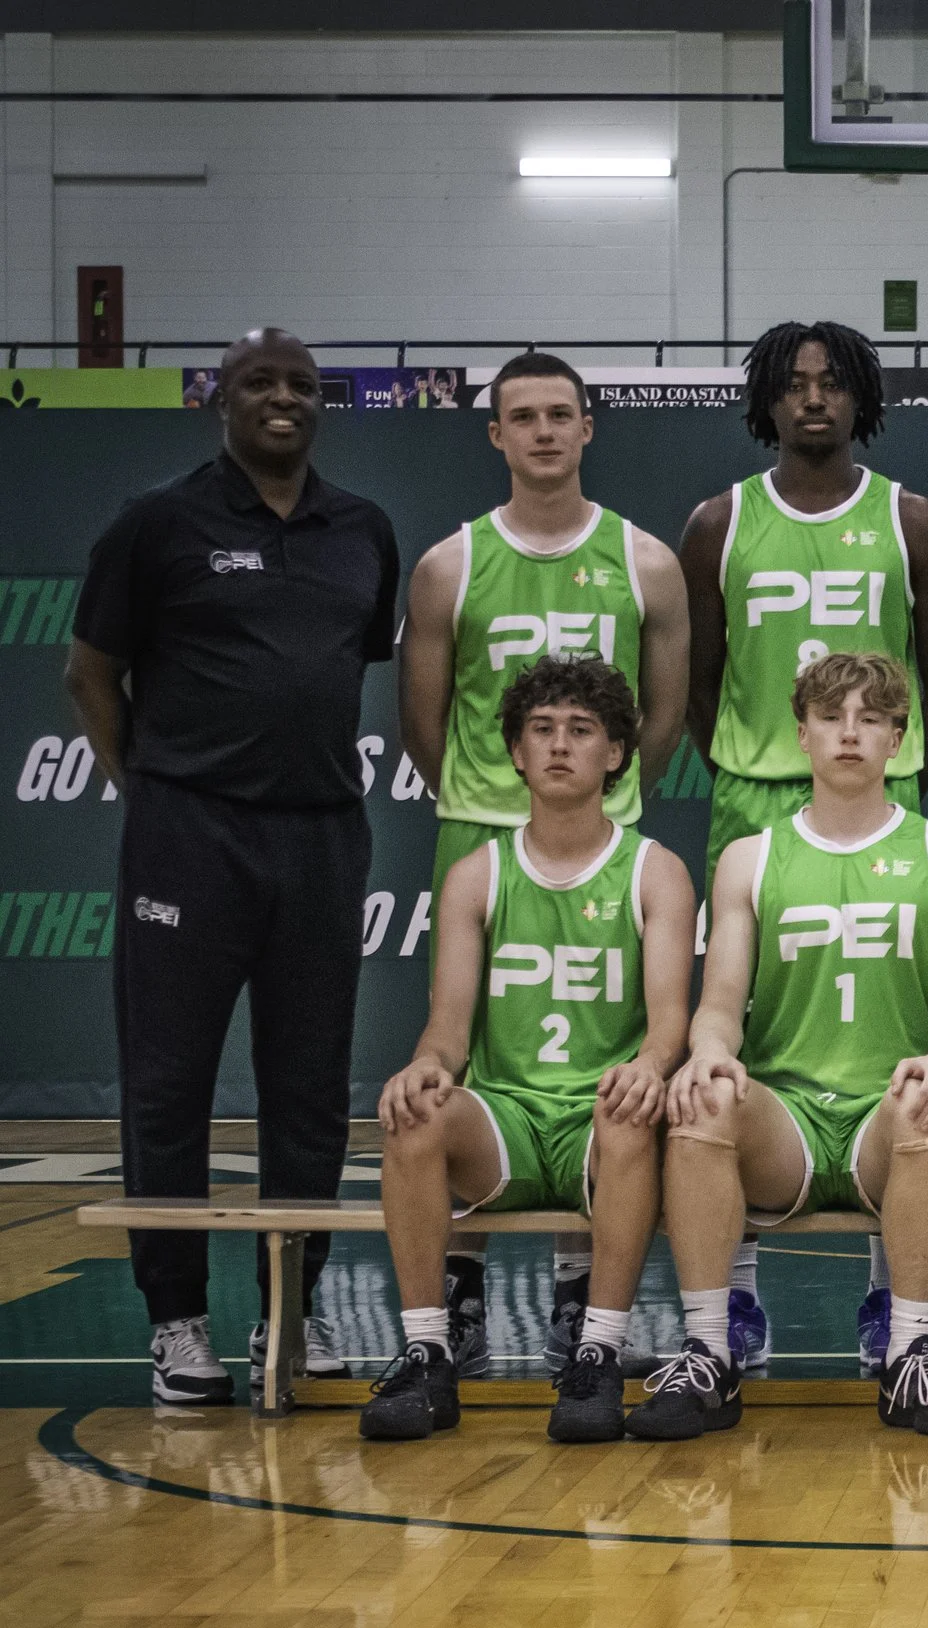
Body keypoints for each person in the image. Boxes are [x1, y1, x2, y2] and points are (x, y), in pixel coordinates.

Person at [64, 327, 401, 1406]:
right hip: (188, 837)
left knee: (307, 1092)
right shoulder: (157, 522)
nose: (285, 399)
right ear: (220, 398)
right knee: (170, 1085)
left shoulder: (364, 531)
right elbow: (91, 674)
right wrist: (158, 791)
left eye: (304, 386)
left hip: (319, 836)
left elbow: (349, 665)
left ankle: (292, 1318)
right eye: (262, 382)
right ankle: (177, 1325)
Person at [679, 321, 928, 1380]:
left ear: (862, 399)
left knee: (900, 1023)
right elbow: (701, 677)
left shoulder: (913, 521)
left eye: (832, 383)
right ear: (767, 401)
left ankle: (894, 1293)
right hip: (758, 795)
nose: (813, 400)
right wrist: (756, 761)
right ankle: (737, 1295)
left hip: (878, 794)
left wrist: (900, 777)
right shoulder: (718, 522)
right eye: (794, 384)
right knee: (740, 1039)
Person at [398, 351, 689, 1379]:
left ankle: (583, 1304)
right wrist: (496, 792)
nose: (543, 432)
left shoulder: (645, 560)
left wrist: (597, 792)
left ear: (588, 427)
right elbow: (424, 719)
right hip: (481, 823)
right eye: (521, 417)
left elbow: (661, 713)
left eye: (560, 414)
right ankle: (457, 1301)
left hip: (601, 829)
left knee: (603, 1054)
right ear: (495, 435)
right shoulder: (450, 564)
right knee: (470, 1055)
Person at [660, 651, 928, 1438]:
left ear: (898, 739)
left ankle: (909, 1358)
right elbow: (718, 1005)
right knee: (706, 1093)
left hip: (887, 1121)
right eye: (831, 717)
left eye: (871, 718)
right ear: (802, 736)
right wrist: (710, 1050)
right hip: (782, 1122)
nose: (849, 732)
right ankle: (709, 1354)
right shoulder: (750, 859)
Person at [360, 658, 695, 1443]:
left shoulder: (655, 871)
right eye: (540, 730)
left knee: (630, 1111)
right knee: (414, 1117)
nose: (558, 746)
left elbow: (669, 1023)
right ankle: (427, 1352)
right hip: (506, 1117)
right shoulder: (478, 875)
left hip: (595, 1120)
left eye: (581, 731)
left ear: (616, 753)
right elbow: (448, 1031)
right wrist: (423, 1069)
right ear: (513, 751)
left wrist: (648, 1068)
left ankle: (598, 1355)